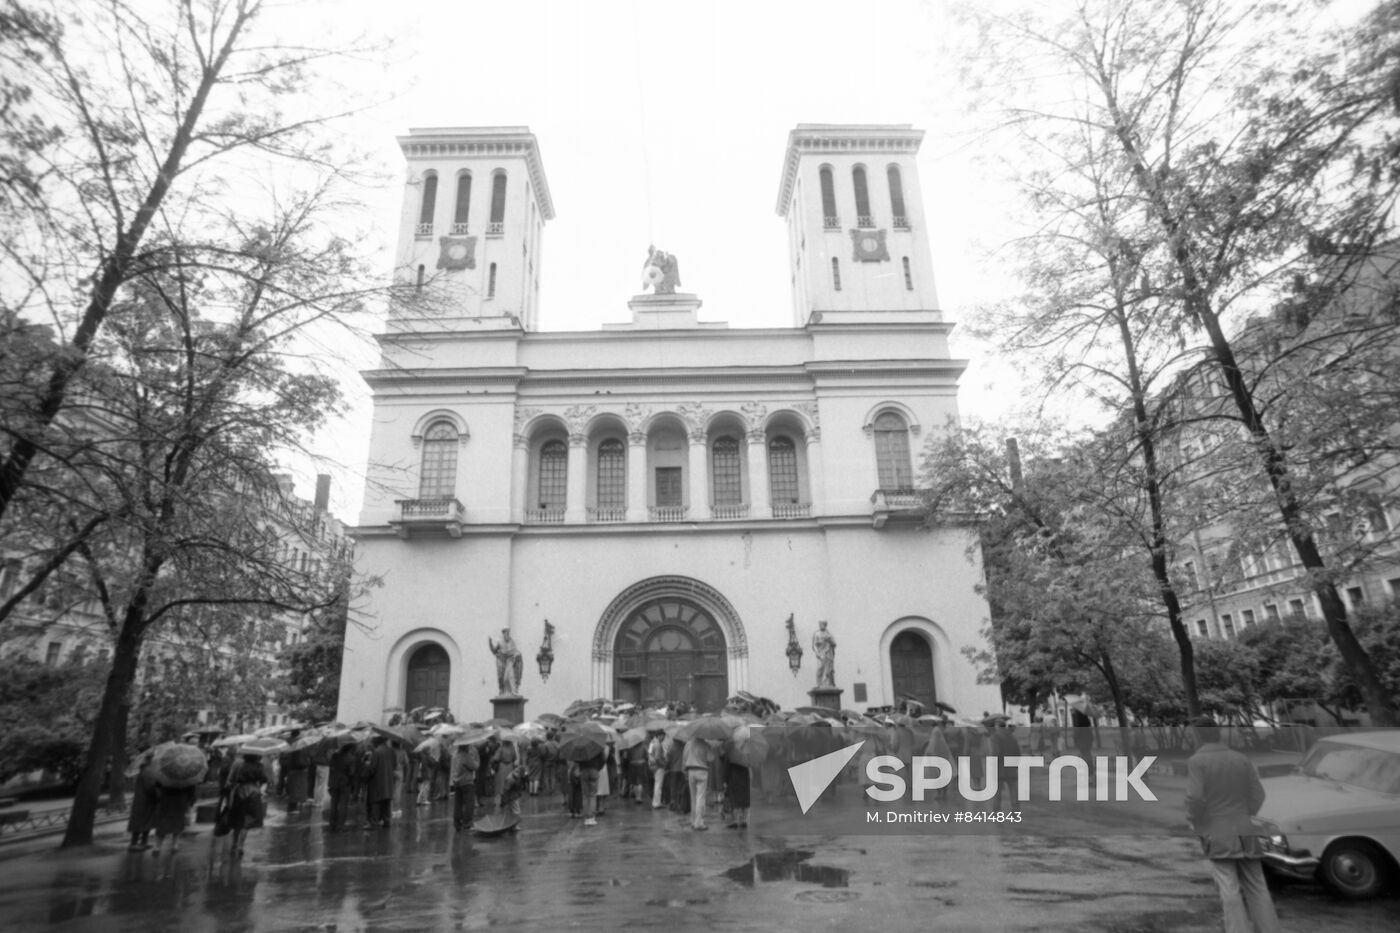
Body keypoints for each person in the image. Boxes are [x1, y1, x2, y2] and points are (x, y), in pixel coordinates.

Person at [1185, 716, 1280, 933]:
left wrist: (1195, 819)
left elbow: (1195, 798)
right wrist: (1244, 815)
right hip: (1245, 828)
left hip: (1217, 830)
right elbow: (1258, 794)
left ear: (1198, 736)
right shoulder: (1240, 758)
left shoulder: (1197, 762)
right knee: (1257, 886)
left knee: (1229, 888)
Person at [223, 753, 268, 857]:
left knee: (238, 821)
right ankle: (240, 846)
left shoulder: (239, 765)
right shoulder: (259, 766)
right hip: (254, 794)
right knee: (247, 822)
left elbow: (231, 780)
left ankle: (234, 844)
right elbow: (264, 779)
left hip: (240, 793)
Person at [683, 738, 717, 831]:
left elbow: (684, 757)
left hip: (690, 771)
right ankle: (699, 823)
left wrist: (684, 771)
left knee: (693, 797)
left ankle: (693, 821)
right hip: (702, 771)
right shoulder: (705, 744)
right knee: (700, 797)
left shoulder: (688, 744)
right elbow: (711, 758)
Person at [364, 735, 396, 829]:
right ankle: (386, 821)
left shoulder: (377, 752)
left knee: (375, 803)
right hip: (388, 782)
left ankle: (374, 822)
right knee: (386, 803)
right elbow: (394, 765)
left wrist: (367, 765)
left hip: (377, 782)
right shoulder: (391, 751)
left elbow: (372, 769)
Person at [127, 753, 158, 851]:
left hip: (143, 800)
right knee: (141, 822)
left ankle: (143, 842)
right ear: (152, 760)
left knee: (145, 822)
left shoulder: (145, 770)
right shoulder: (148, 772)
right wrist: (158, 793)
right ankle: (134, 843)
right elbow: (151, 787)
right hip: (146, 801)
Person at [450, 740, 480, 832]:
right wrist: (477, 758)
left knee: (458, 803)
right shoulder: (465, 756)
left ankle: (457, 823)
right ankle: (467, 823)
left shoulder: (455, 754)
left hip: (457, 782)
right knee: (469, 803)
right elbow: (475, 766)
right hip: (467, 782)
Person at [326, 742, 356, 833]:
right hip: (344, 784)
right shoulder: (351, 758)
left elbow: (330, 765)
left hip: (333, 783)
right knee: (343, 805)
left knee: (334, 805)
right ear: (350, 748)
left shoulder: (335, 756)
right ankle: (340, 826)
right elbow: (351, 773)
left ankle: (332, 825)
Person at [488, 629, 524, 696]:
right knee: (502, 677)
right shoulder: (500, 642)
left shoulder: (511, 641)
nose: (507, 634)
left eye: (508, 633)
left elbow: (514, 651)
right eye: (506, 633)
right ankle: (503, 691)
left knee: (510, 676)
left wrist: (516, 655)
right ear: (503, 634)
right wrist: (490, 643)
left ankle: (513, 691)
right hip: (503, 661)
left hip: (510, 661)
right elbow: (494, 650)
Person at [812, 620, 837, 688]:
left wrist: (829, 640)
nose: (820, 625)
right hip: (821, 653)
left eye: (822, 624)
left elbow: (834, 644)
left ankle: (828, 684)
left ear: (825, 625)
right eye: (819, 624)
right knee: (820, 668)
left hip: (828, 653)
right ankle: (818, 684)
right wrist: (817, 653)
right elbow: (814, 645)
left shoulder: (829, 634)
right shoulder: (817, 634)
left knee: (828, 670)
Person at [648, 731, 668, 809]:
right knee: (658, 785)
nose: (663, 738)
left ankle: (655, 802)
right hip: (658, 767)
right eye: (663, 736)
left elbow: (649, 754)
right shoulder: (658, 745)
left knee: (656, 784)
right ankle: (657, 803)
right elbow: (657, 758)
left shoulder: (652, 743)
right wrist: (663, 765)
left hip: (652, 766)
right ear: (659, 735)